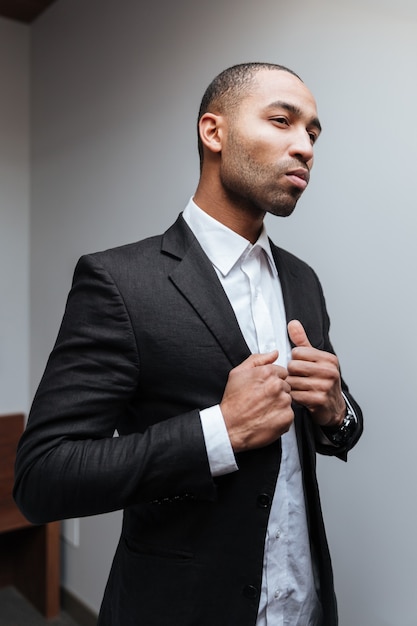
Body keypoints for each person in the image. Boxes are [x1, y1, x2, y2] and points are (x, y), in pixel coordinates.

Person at [14, 62, 363, 626]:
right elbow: (43, 478)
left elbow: (338, 424)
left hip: (303, 606)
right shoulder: (120, 282)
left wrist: (336, 411)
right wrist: (219, 431)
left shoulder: (303, 281)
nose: (305, 147)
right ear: (213, 132)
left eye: (313, 134)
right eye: (282, 121)